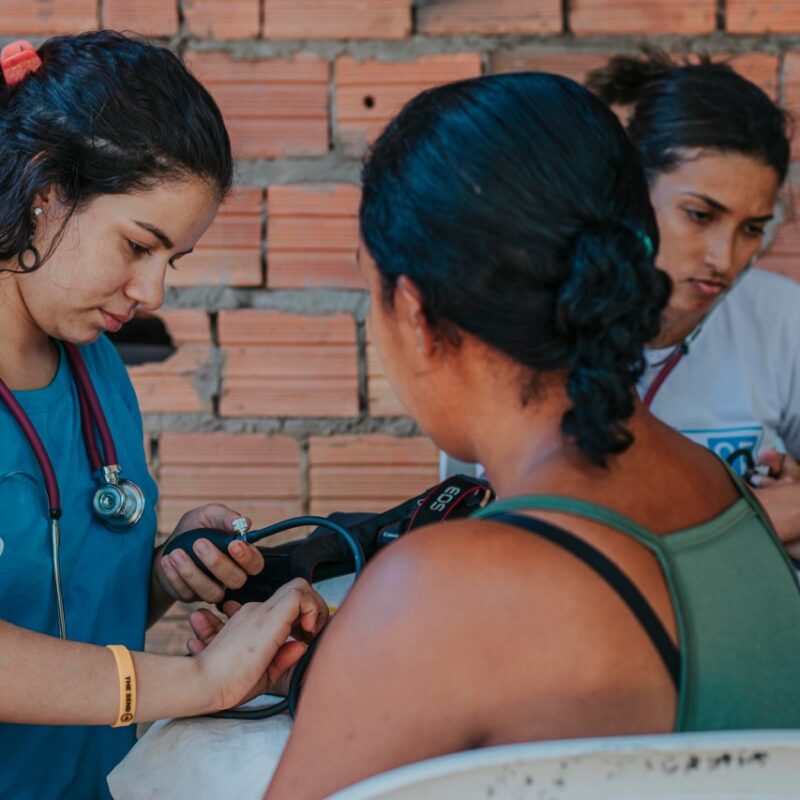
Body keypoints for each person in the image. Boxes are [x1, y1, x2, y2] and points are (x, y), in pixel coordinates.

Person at [192, 71, 800, 798]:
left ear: (414, 313)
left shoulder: (435, 593)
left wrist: (369, 656)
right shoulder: (722, 492)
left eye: (370, 291)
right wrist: (354, 676)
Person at [0, 32, 326, 799]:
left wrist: (166, 571)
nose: (152, 293)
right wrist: (202, 682)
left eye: (169, 261)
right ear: (44, 193)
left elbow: (68, 596)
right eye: (137, 246)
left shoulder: (94, 364)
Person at [586, 50, 800, 556]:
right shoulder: (537, 323)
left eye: (752, 229)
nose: (724, 259)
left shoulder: (781, 317)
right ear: (634, 191)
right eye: (700, 215)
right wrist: (764, 517)